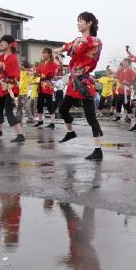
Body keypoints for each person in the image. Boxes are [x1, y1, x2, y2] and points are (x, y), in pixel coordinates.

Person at [53, 12, 104, 161]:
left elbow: (93, 42)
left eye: (81, 21)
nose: (78, 24)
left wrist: (79, 42)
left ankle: (98, 150)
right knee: (62, 109)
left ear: (89, 23)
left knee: (90, 117)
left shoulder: (95, 40)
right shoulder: (78, 40)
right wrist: (58, 50)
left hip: (84, 83)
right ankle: (71, 132)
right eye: (78, 21)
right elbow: (67, 47)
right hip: (73, 82)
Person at [0, 35, 25, 142]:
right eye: (1, 42)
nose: (1, 43)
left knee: (8, 111)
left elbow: (7, 70)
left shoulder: (13, 57)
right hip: (2, 87)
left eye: (4, 42)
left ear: (9, 44)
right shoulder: (2, 56)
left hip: (11, 88)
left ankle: (20, 134)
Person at [32, 48, 61, 129]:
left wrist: (46, 74)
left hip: (48, 85)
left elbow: (53, 73)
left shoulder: (53, 64)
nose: (43, 54)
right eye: (43, 53)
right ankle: (40, 121)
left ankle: (52, 123)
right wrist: (35, 72)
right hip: (41, 85)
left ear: (49, 54)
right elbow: (38, 71)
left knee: (49, 105)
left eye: (45, 53)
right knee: (39, 104)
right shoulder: (42, 63)